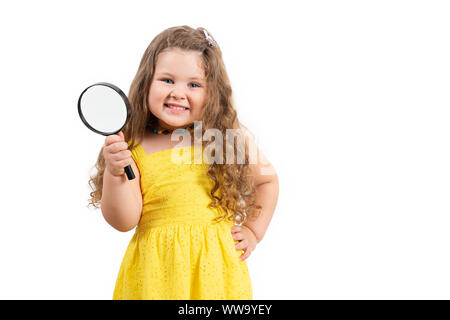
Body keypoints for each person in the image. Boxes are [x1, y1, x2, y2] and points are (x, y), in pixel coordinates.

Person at [87, 25, 279, 300]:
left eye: (193, 84)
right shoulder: (133, 145)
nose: (178, 92)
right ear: (146, 82)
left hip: (217, 275)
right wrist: (116, 172)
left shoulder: (220, 139)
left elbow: (267, 181)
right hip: (155, 274)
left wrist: (252, 231)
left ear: (213, 92)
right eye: (167, 80)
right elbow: (124, 220)